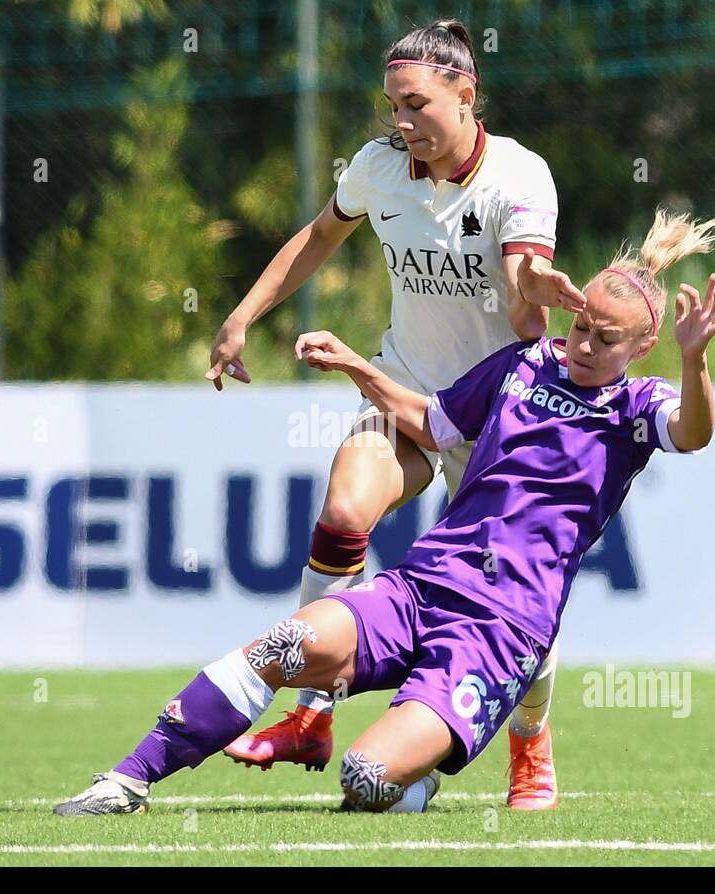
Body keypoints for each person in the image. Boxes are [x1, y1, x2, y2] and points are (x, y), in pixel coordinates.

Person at [53, 209, 715, 815]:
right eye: (581, 324)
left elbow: (693, 432)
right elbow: (432, 424)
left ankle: (421, 767)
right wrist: (355, 363)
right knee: (280, 646)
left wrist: (694, 360)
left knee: (365, 777)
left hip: (501, 631)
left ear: (641, 348)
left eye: (605, 339)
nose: (583, 344)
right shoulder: (522, 363)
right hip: (422, 585)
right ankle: (125, 782)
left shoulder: (635, 408)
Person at [207, 18, 583, 810]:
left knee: (512, 603)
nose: (401, 122)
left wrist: (535, 291)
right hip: (404, 391)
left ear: (465, 93)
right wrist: (243, 315)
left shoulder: (520, 175)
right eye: (392, 107)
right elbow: (317, 236)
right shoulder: (380, 169)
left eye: (415, 105)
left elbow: (524, 314)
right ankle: (311, 713)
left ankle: (530, 743)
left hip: (497, 420)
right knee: (345, 512)